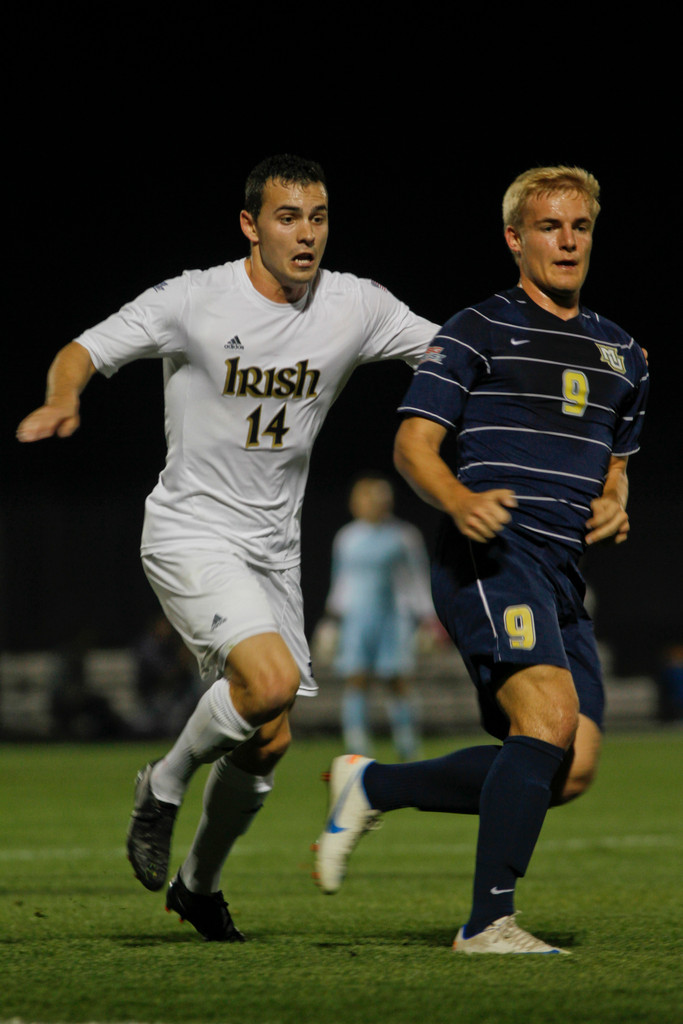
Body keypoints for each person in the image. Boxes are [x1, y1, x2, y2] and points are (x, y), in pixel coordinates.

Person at [16, 154, 439, 942]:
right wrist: (62, 396)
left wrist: (571, 361)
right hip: (191, 531)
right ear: (250, 224)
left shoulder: (355, 305)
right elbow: (84, 349)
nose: (305, 234)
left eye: (317, 217)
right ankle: (163, 784)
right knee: (268, 683)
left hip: (273, 552)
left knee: (268, 736)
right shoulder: (193, 300)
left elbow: (456, 355)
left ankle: (198, 886)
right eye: (287, 217)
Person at [313, 165, 649, 955]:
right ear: (514, 238)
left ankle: (372, 783)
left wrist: (614, 502)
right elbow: (412, 445)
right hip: (491, 553)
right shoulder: (475, 329)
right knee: (547, 719)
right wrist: (458, 500)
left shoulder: (624, 353)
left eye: (578, 227)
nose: (566, 241)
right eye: (548, 227)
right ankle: (486, 922)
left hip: (562, 571)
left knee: (568, 766)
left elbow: (615, 466)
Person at [323, 472, 436, 759]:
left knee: (397, 679)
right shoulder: (347, 537)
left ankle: (407, 743)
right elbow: (341, 580)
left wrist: (428, 619)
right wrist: (331, 621)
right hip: (357, 618)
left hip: (393, 617)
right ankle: (356, 743)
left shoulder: (404, 536)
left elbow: (416, 579)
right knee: (356, 678)